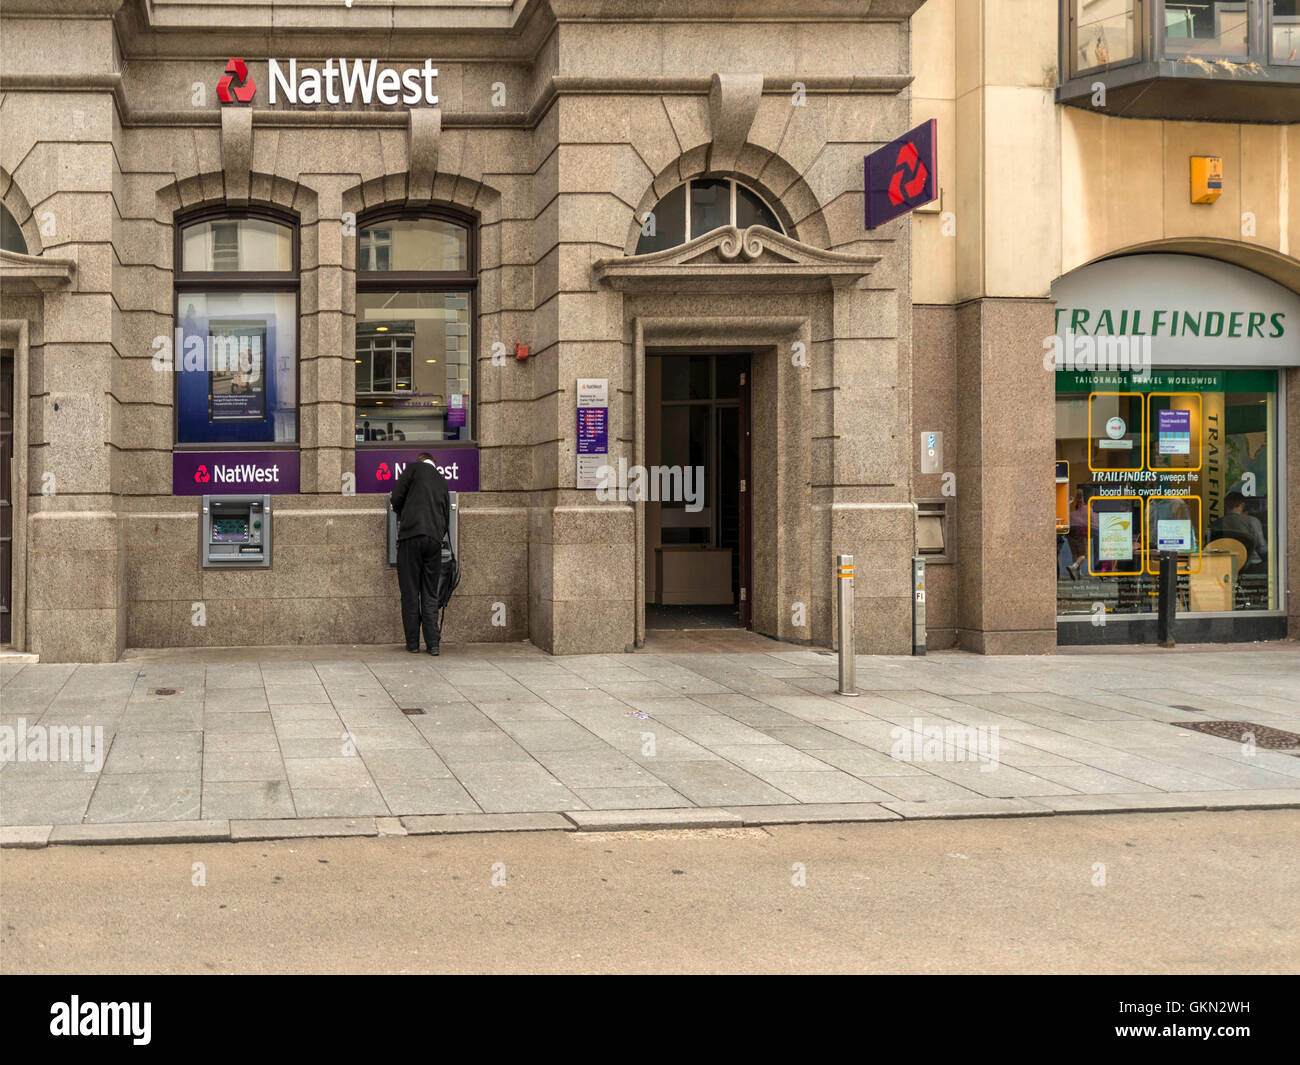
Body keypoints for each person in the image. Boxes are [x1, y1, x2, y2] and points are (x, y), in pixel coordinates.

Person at [389, 452, 451, 655]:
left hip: (410, 537)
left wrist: (403, 511)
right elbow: (445, 518)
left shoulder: (413, 470)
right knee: (430, 593)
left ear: (420, 461)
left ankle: (413, 644)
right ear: (434, 464)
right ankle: (433, 644)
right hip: (433, 541)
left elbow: (396, 497)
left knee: (410, 592)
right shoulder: (441, 481)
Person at [1212, 490, 1267, 573]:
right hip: (1250, 566)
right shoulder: (1252, 521)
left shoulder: (1215, 524)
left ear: (1225, 505)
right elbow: (1262, 549)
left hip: (1226, 566)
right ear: (1242, 505)